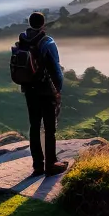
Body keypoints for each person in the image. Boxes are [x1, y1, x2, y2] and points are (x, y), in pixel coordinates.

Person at [16, 11, 68, 176]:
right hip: (45, 90)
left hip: (29, 89)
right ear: (43, 24)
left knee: (34, 126)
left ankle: (38, 165)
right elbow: (56, 69)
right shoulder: (47, 42)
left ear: (30, 23)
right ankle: (51, 164)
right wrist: (58, 90)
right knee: (49, 128)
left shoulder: (22, 40)